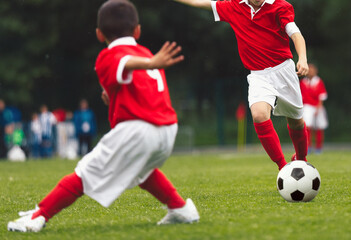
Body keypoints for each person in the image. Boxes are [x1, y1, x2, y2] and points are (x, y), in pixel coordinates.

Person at [7, 0, 199, 233]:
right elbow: (136, 83)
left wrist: (149, 63)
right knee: (142, 170)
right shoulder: (145, 52)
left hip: (140, 129)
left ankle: (38, 216)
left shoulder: (115, 56)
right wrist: (146, 65)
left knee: (83, 173)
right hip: (167, 129)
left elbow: (123, 62)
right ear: (138, 30)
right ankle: (180, 208)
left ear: (99, 34)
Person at [174, 0, 309, 170]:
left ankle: (302, 159)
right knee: (259, 115)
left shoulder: (280, 6)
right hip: (258, 75)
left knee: (296, 121)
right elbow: (199, 3)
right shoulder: (234, 6)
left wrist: (302, 58)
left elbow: (295, 34)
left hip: (284, 70)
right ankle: (283, 168)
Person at [300, 63, 328, 154]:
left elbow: (321, 96)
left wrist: (318, 108)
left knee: (319, 127)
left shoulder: (319, 82)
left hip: (317, 106)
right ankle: (308, 146)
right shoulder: (303, 83)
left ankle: (318, 148)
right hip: (306, 107)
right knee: (307, 126)